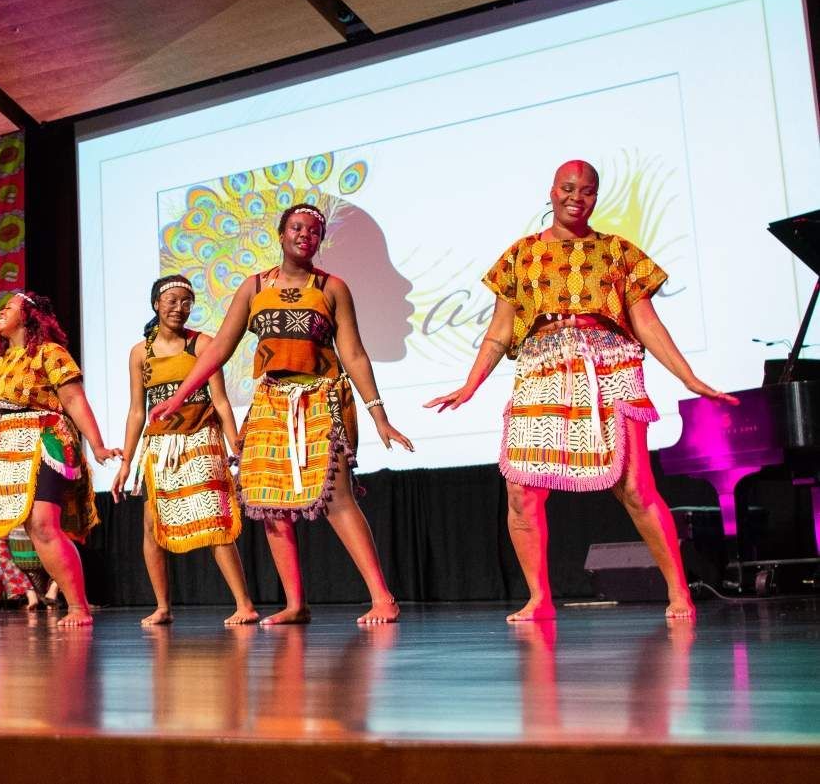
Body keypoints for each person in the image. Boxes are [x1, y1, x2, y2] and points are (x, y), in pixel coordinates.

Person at [425, 160, 735, 622]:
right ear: (551, 192)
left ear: (595, 197)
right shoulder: (520, 254)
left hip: (609, 363)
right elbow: (500, 331)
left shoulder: (618, 251)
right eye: (568, 188)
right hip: (543, 365)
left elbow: (647, 323)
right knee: (521, 489)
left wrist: (688, 377)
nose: (577, 197)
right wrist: (471, 385)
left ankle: (678, 590)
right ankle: (539, 598)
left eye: (587, 190)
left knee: (635, 487)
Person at [152, 203, 413, 625]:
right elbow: (219, 349)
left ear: (320, 240)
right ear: (281, 233)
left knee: (338, 498)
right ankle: (295, 604)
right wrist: (179, 397)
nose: (304, 235)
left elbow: (353, 353)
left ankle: (383, 597)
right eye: (296, 227)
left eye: (313, 230)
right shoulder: (254, 287)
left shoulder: (331, 287)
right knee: (270, 506)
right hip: (271, 401)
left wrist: (377, 413)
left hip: (320, 397)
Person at [0, 291, 119, 628]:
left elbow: (73, 399)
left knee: (41, 523)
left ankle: (78, 607)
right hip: (0, 445)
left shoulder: (50, 353)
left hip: (42, 438)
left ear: (28, 316)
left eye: (9, 308)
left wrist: (97, 446)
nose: (1, 312)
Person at [114, 274, 257, 626]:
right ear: (156, 305)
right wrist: (126, 462)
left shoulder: (202, 344)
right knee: (152, 526)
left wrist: (235, 445)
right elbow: (137, 411)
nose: (179, 308)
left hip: (200, 438)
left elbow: (220, 401)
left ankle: (244, 604)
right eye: (172, 301)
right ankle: (163, 606)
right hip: (159, 446)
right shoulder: (140, 353)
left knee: (215, 521)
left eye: (186, 302)